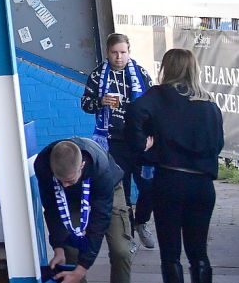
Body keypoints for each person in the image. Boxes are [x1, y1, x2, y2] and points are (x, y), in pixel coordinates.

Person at [125, 49, 224, 283]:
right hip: (202, 185)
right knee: (199, 253)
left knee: (170, 255)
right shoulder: (209, 104)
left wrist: (143, 146)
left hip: (170, 180)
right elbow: (217, 145)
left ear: (166, 68)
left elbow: (134, 112)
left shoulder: (159, 96)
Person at [81, 33, 155, 248]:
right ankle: (128, 236)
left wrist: (153, 136)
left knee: (149, 186)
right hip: (113, 141)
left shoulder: (140, 73)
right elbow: (85, 104)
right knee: (122, 191)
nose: (119, 57)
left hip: (140, 141)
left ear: (129, 52)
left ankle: (142, 222)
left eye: (123, 52)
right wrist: (100, 101)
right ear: (108, 52)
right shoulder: (98, 75)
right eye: (115, 52)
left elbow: (153, 105)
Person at [34, 138, 134, 283]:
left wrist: (82, 268)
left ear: (82, 165)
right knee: (71, 249)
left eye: (70, 181)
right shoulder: (43, 165)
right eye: (60, 180)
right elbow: (51, 209)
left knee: (121, 250)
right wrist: (58, 247)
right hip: (68, 199)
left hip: (108, 190)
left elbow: (100, 219)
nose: (65, 185)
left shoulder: (99, 166)